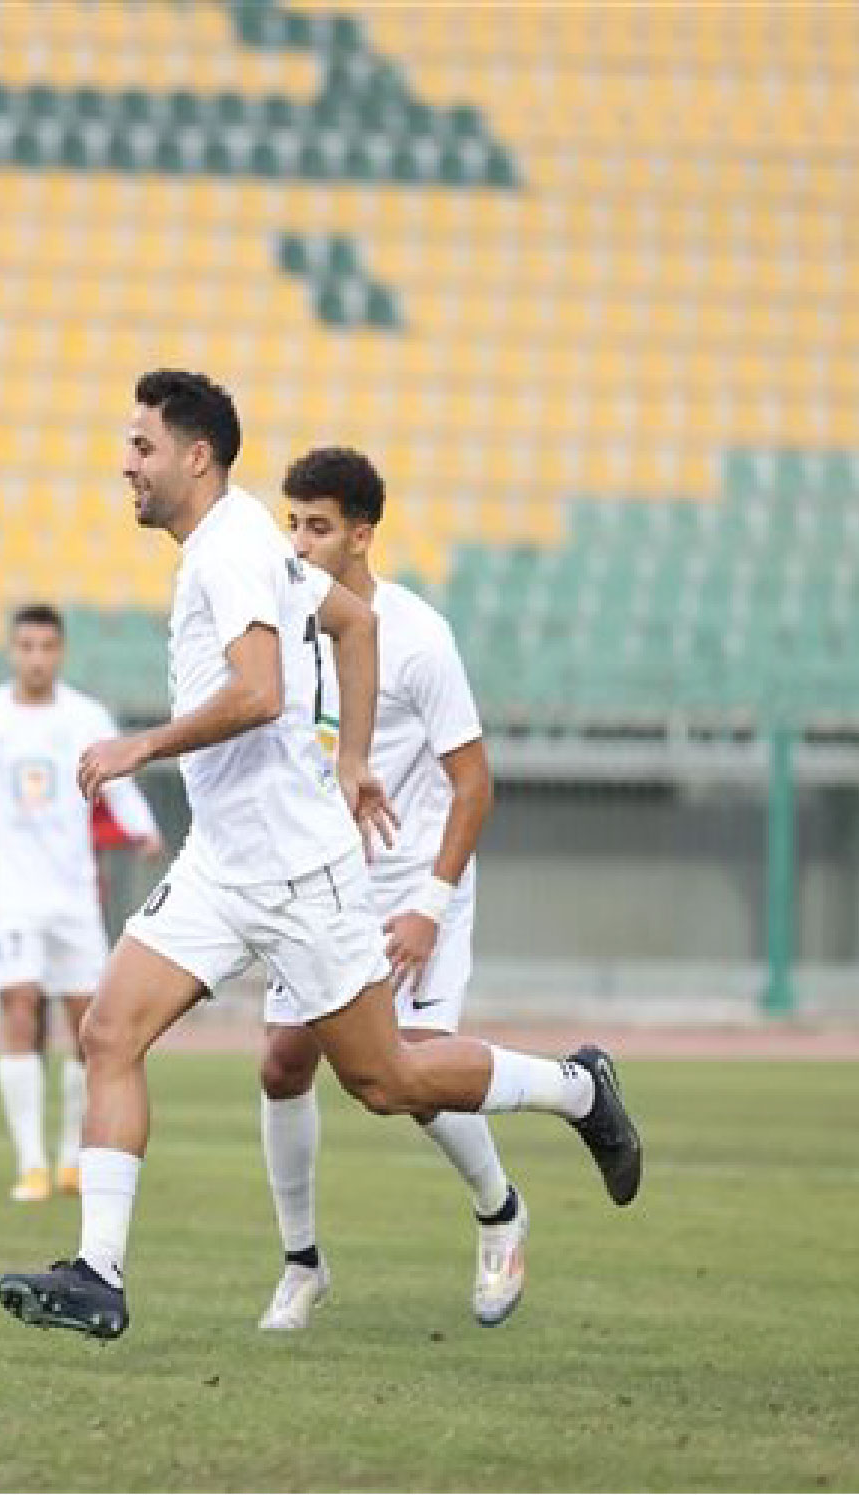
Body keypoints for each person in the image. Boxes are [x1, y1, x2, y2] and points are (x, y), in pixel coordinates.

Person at [0, 372, 641, 1341]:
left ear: (194, 456)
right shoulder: (241, 540)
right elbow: (353, 621)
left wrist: (142, 744)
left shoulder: (231, 551)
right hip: (225, 863)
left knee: (387, 1082)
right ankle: (99, 1271)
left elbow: (258, 691)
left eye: (141, 446)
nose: (126, 464)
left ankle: (578, 1086)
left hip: (298, 875)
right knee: (109, 1033)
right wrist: (347, 759)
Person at [256, 446, 587, 1332]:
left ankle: (499, 1210)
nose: (299, 542)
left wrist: (430, 906)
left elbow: (474, 782)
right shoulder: (283, 621)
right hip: (321, 884)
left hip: (411, 886)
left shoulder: (417, 637)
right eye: (292, 522)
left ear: (362, 535)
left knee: (411, 1075)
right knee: (281, 1061)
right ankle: (301, 1263)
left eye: (318, 526)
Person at [0, 603, 163, 1202]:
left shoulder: (86, 715)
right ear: (13, 650)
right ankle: (29, 1161)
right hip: (9, 896)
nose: (35, 658)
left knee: (89, 1027)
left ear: (61, 652)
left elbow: (121, 782)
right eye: (25, 646)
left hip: (73, 896)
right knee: (18, 1010)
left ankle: (70, 1160)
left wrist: (144, 829)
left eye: (46, 647)